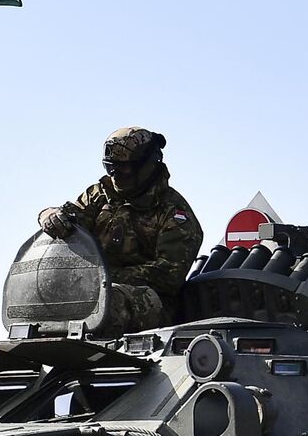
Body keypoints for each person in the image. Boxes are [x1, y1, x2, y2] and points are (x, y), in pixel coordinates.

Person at [36, 127, 204, 333]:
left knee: (108, 302)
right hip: (90, 289)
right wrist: (48, 215)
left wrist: (104, 277)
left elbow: (168, 275)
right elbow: (70, 218)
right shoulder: (99, 195)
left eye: (124, 168)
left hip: (154, 304)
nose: (116, 175)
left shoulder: (174, 212)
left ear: (149, 165)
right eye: (111, 167)